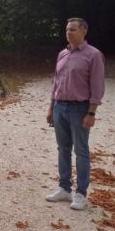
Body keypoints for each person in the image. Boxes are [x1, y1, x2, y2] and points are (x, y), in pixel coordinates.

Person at [45, 18, 105, 211]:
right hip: (60, 106)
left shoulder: (93, 55)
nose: (68, 32)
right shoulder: (62, 54)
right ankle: (64, 187)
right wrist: (51, 107)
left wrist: (91, 112)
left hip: (80, 108)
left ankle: (81, 192)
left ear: (84, 32)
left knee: (81, 151)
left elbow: (97, 86)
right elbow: (56, 82)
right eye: (67, 29)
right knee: (62, 148)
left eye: (73, 29)